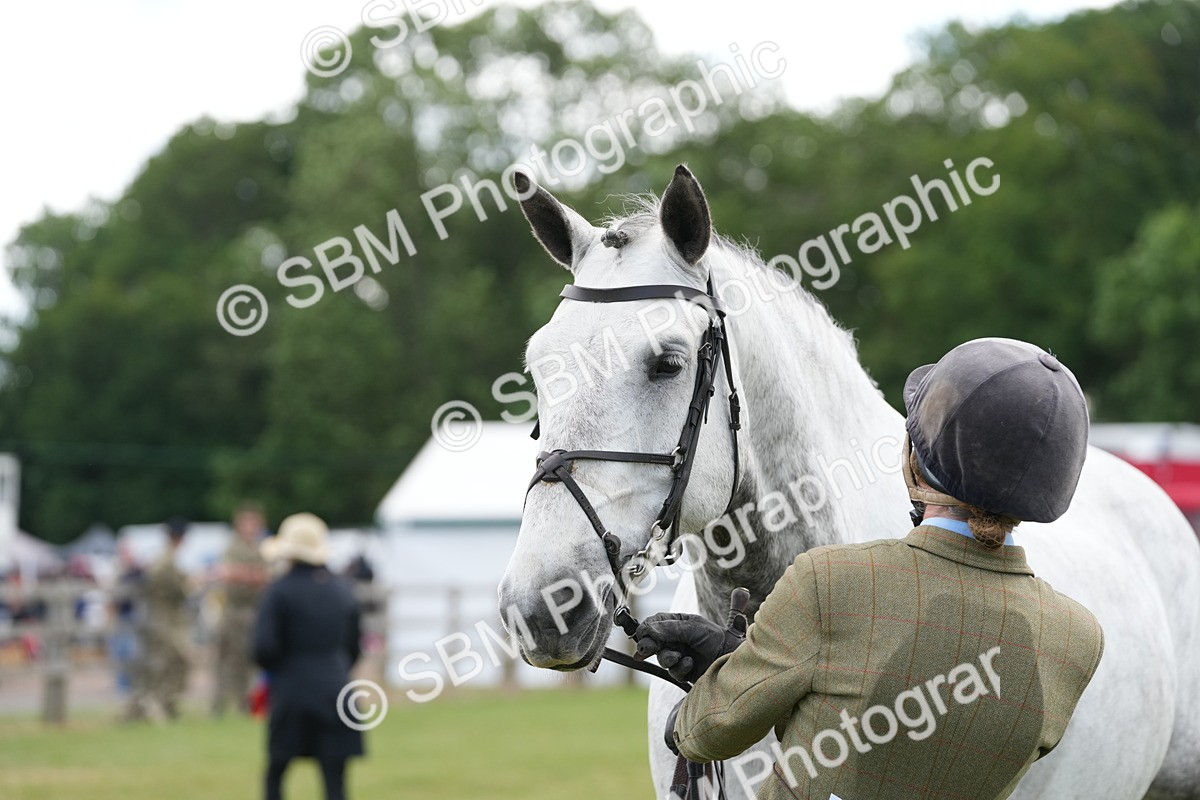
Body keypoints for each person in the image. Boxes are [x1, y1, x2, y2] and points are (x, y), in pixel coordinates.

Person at [635, 338, 1106, 800]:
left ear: (915, 463)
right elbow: (910, 738)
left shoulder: (830, 581)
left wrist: (720, 688)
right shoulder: (1077, 639)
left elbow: (707, 733)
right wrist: (747, 657)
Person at [254, 513, 364, 800]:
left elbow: (263, 648)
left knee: (277, 768)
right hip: (338, 688)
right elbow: (355, 647)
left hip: (293, 689)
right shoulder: (343, 590)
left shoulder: (279, 591)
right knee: (335, 777)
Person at [124, 517, 191, 721]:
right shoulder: (165, 560)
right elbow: (178, 589)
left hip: (162, 619)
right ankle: (156, 706)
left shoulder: (164, 558)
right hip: (164, 620)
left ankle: (157, 705)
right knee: (168, 663)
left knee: (167, 663)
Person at [212, 501, 269, 716]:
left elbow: (267, 576)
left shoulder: (260, 548)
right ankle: (220, 706)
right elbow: (226, 572)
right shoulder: (233, 547)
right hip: (233, 611)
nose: (250, 528)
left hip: (253, 611)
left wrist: (247, 575)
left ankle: (246, 705)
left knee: (250, 662)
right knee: (227, 661)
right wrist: (252, 575)